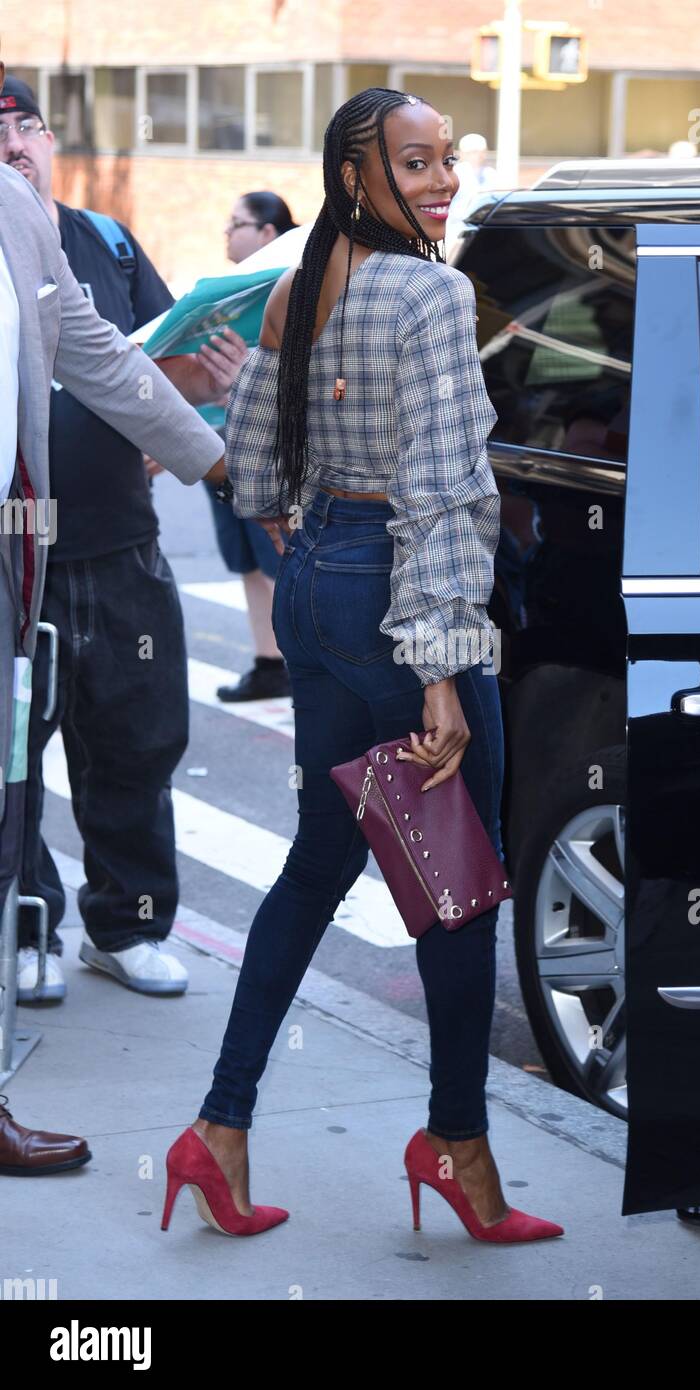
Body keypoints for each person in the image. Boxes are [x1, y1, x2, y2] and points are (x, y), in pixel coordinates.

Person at [160, 88, 563, 1244]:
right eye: (414, 162)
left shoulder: (300, 290)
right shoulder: (431, 293)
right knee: (456, 886)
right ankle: (456, 1148)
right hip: (402, 600)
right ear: (354, 176)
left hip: (323, 586)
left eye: (445, 160)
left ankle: (219, 1131)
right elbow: (446, 486)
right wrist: (440, 666)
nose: (440, 180)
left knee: (322, 858)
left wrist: (312, 536)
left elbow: (247, 467)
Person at [0, 59, 226, 1169]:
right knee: (12, 761)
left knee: (123, 736)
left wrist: (211, 453)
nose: (12, 144)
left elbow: (107, 352)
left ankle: (120, 926)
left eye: (23, 125)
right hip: (20, 541)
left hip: (78, 537)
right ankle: (27, 929)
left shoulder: (65, 232)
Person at [207, 192, 299, 702]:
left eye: (237, 223)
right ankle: (268, 661)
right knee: (242, 555)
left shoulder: (299, 288)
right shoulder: (227, 293)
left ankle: (293, 657)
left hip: (268, 449)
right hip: (222, 441)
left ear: (268, 233)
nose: (228, 233)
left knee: (277, 554)